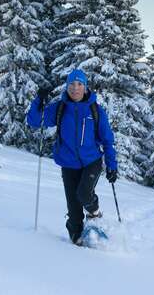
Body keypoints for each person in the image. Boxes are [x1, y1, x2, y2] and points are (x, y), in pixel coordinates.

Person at [27, 69, 118, 246]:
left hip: (91, 161)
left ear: (85, 87)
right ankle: (76, 242)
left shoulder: (96, 111)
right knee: (74, 210)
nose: (75, 88)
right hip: (68, 164)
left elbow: (107, 140)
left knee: (84, 193)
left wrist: (112, 165)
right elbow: (34, 121)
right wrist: (39, 100)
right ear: (67, 86)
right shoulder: (60, 108)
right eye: (71, 84)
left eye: (79, 84)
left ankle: (95, 213)